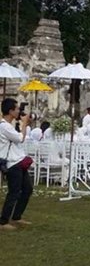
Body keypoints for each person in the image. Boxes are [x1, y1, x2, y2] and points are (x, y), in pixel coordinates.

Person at [0, 98, 33, 231]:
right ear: (10, 111)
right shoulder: (4, 126)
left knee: (27, 189)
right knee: (14, 192)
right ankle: (3, 221)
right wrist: (24, 124)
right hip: (12, 163)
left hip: (19, 161)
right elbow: (20, 138)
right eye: (17, 108)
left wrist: (22, 124)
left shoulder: (10, 125)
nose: (19, 111)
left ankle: (16, 216)